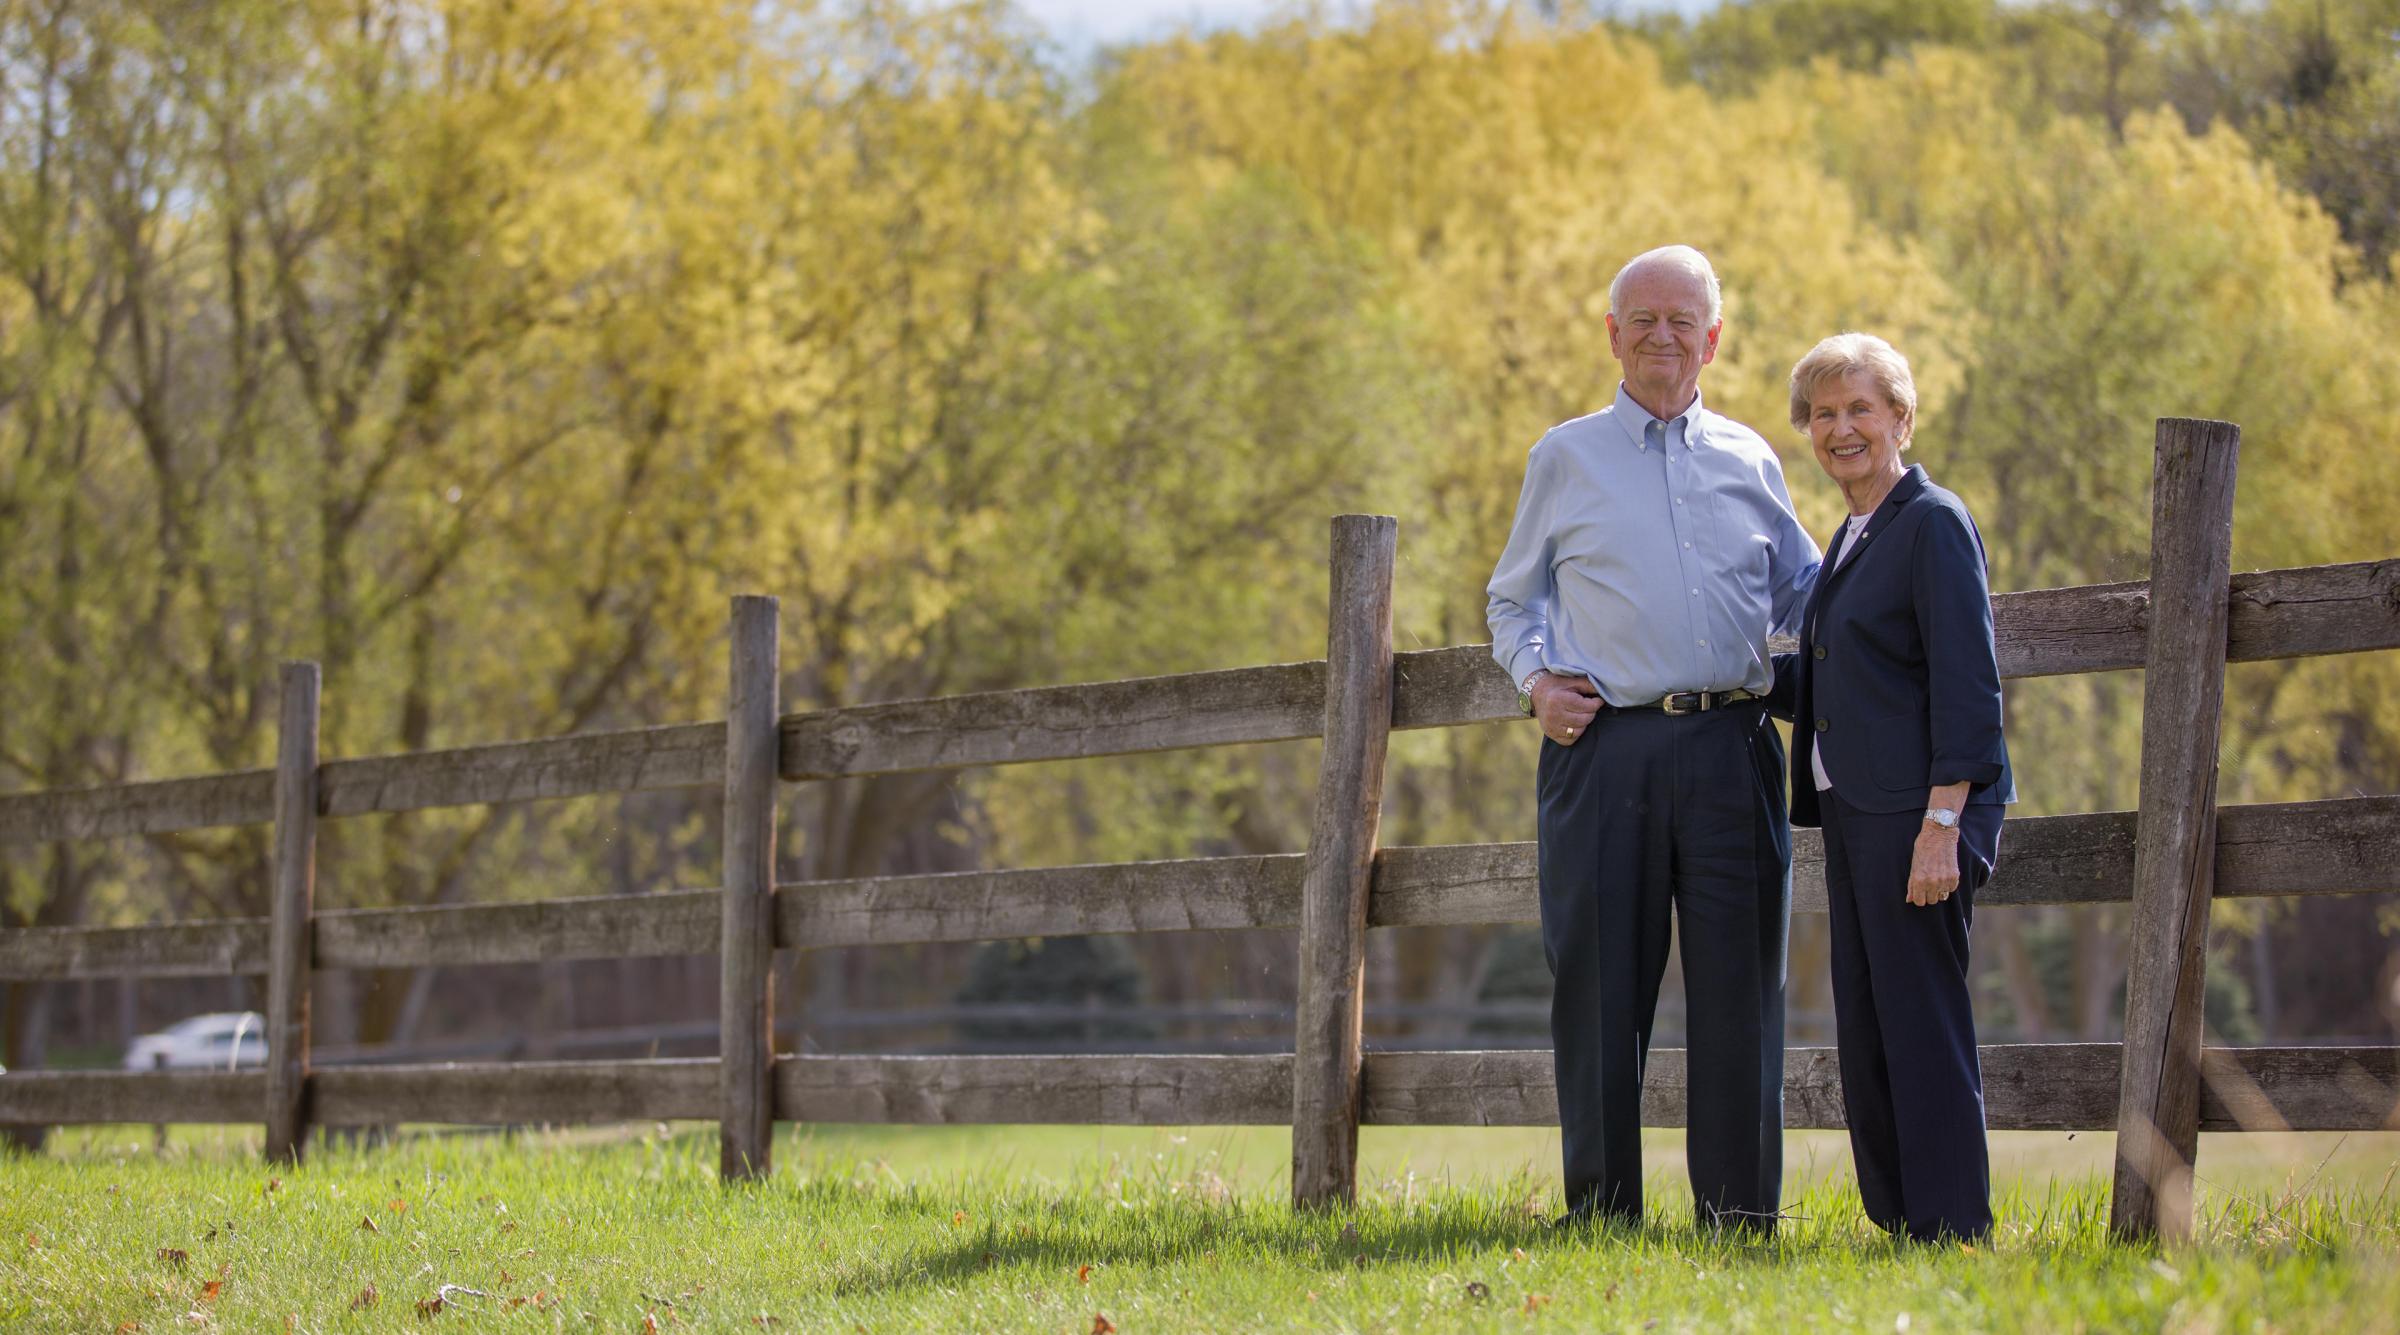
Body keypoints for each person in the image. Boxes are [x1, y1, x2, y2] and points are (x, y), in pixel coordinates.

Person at [1486, 245, 1820, 1231]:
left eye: (1684, 320)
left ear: (1713, 337)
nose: (1663, 336)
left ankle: (1738, 1216)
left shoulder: (1753, 456)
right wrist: (1535, 682)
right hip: (1604, 753)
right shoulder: (1565, 455)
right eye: (1644, 318)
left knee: (1741, 992)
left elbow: (1804, 592)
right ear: (1613, 333)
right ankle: (1600, 1212)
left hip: (1734, 748)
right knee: (1597, 989)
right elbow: (1513, 600)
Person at [1783, 332, 2014, 1242]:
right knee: (1871, 1024)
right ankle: (1903, 1222)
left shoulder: (1933, 521)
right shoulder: (1853, 532)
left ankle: (1955, 1227)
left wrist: (1942, 822)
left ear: (1901, 419)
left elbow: (1969, 682)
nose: (1841, 429)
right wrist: (1740, 680)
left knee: (1922, 1028)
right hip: (1854, 814)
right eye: (1825, 414)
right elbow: (1849, 675)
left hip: (1919, 815)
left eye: (1860, 410)